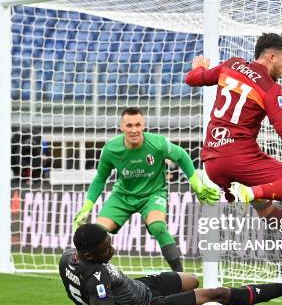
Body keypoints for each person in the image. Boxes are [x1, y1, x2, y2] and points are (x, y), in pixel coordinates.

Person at [185, 33, 282, 239]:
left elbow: (192, 79)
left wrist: (199, 68)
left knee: (262, 204)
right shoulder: (270, 88)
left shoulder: (231, 65)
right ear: (271, 57)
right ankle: (246, 193)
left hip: (212, 161)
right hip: (239, 157)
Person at [60, 224, 282, 305]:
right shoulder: (96, 276)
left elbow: (84, 294)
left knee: (191, 279)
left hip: (140, 287)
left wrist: (91, 304)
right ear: (92, 256)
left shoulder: (69, 257)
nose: (112, 249)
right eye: (107, 249)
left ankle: (181, 299)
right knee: (217, 293)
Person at [72, 107, 220, 272]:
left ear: (143, 126)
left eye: (138, 125)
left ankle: (179, 275)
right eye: (129, 125)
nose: (134, 130)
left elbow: (182, 156)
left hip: (153, 194)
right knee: (97, 235)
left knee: (158, 227)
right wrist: (86, 207)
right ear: (121, 127)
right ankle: (90, 273)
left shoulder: (157, 144)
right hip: (123, 196)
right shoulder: (111, 149)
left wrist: (197, 185)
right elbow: (100, 178)